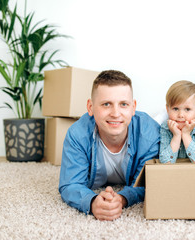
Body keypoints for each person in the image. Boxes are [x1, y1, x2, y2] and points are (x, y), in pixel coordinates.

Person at [59, 70, 160, 221]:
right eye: (106, 104)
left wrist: (122, 198)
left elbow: (148, 183)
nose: (115, 113)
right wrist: (92, 202)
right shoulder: (77, 134)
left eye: (123, 104)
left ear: (133, 107)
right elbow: (70, 184)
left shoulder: (150, 134)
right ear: (90, 107)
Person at [159, 80, 195, 163]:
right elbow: (166, 162)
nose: (181, 115)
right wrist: (176, 136)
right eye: (175, 109)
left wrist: (186, 134)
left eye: (187, 109)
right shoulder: (165, 127)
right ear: (167, 109)